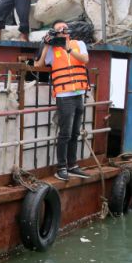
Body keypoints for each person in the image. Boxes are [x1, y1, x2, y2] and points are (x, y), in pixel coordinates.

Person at [34, 20, 90, 181]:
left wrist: (69, 49)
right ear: (54, 32)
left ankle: (72, 165)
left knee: (75, 132)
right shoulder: (51, 49)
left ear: (69, 31)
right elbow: (38, 65)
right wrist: (45, 44)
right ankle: (61, 167)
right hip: (64, 96)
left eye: (65, 28)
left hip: (79, 93)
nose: (63, 31)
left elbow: (85, 60)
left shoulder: (78, 44)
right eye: (59, 29)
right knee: (65, 133)